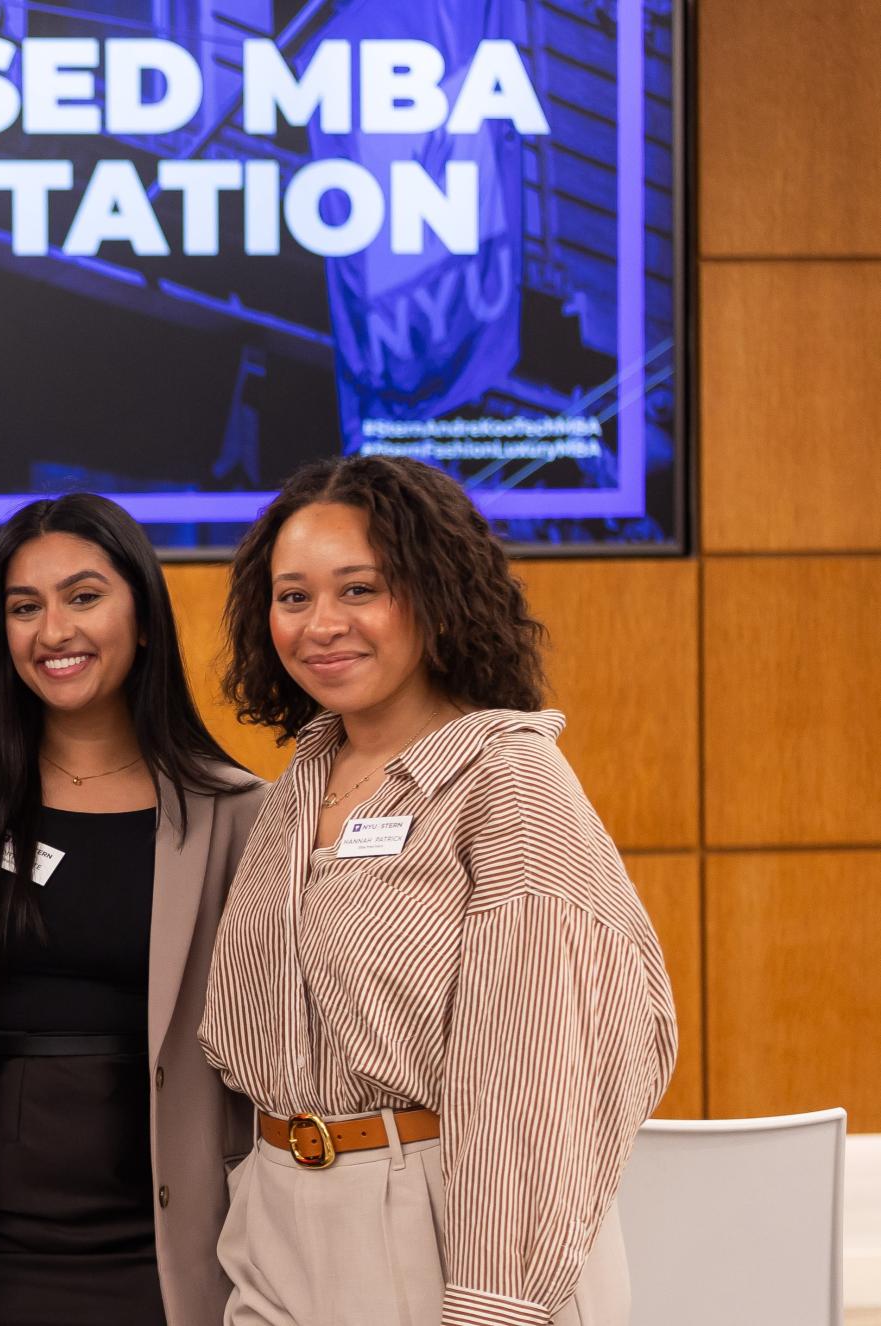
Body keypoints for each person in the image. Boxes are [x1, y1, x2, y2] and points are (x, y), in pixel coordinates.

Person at [197, 455, 676, 1326]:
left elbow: (540, 1073)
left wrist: (493, 1301)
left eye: (360, 589)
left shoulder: (506, 777)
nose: (320, 625)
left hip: (452, 1233)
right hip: (278, 1226)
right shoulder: (296, 789)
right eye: (293, 596)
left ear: (434, 595)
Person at [0, 495, 264, 1326]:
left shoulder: (236, 814)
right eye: (24, 607)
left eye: (83, 596)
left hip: (169, 1245)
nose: (52, 630)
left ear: (143, 614)